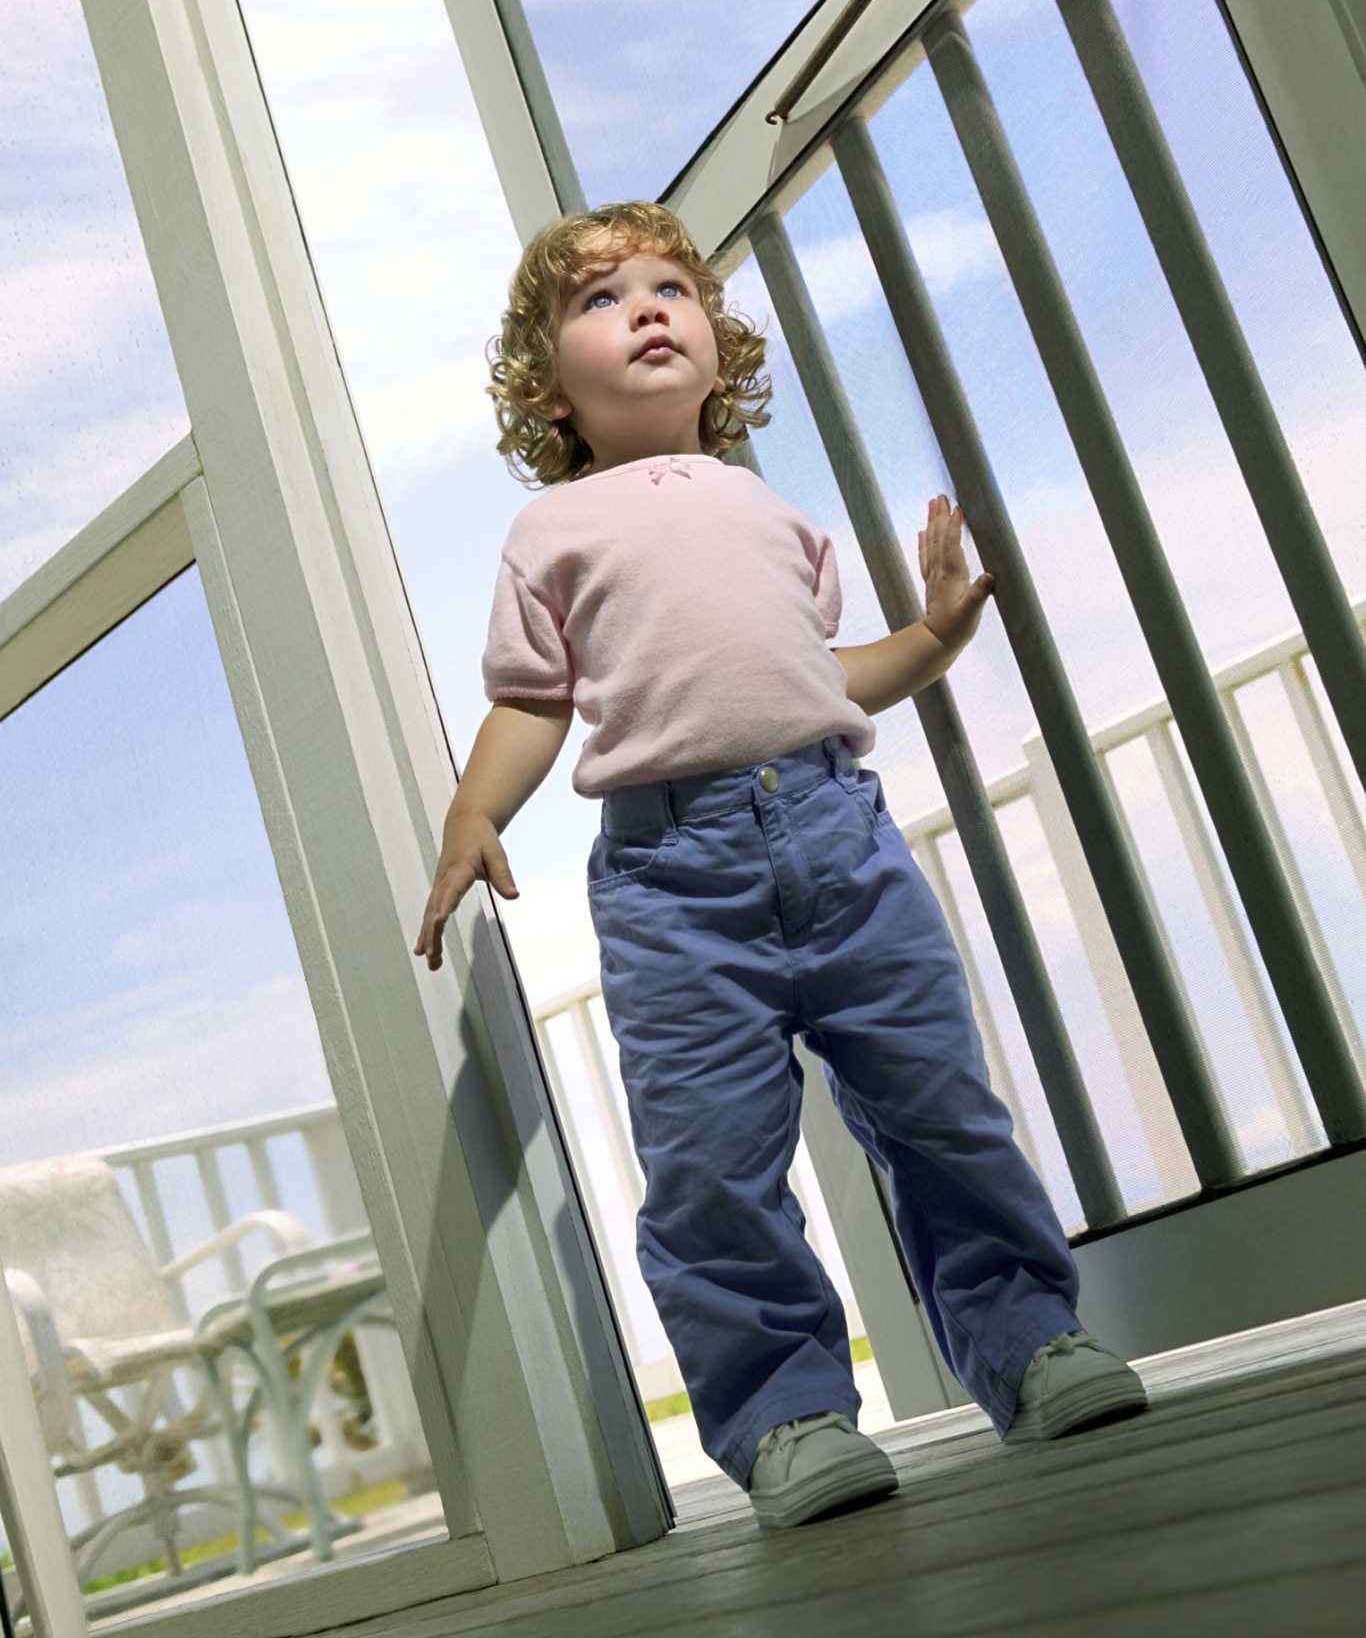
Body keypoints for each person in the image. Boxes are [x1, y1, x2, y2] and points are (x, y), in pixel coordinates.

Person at [414, 200, 1147, 1531]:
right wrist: (476, 812)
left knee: (940, 1109)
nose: (645, 308)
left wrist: (926, 637)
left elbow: (826, 675)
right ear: (549, 391)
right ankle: (786, 1414)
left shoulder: (767, 510)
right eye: (600, 299)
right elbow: (531, 702)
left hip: (837, 839)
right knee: (708, 1161)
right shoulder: (552, 534)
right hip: (673, 882)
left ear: (713, 340)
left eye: (669, 287)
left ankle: (1029, 1343)